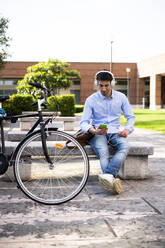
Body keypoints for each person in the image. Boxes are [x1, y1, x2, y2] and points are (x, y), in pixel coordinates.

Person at [80, 70, 135, 194]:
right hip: (98, 133)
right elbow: (84, 122)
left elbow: (130, 117)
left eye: (106, 85)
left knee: (125, 146)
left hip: (116, 132)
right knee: (103, 152)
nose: (104, 88)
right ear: (97, 84)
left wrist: (127, 129)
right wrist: (94, 130)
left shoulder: (121, 97)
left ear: (112, 84)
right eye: (101, 85)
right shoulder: (91, 100)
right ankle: (112, 180)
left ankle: (107, 177)